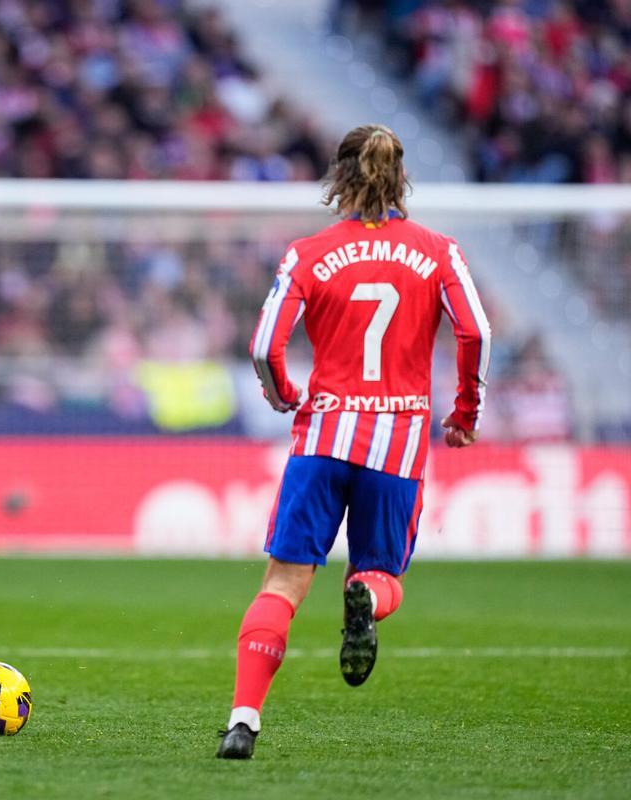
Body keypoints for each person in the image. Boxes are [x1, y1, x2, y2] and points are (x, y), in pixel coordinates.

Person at [216, 124, 491, 759]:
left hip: (323, 437)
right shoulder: (440, 251)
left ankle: (244, 719)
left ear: (338, 178)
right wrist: (466, 411)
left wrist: (283, 391)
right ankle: (363, 596)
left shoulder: (308, 254)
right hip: (395, 444)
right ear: (401, 180)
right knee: (379, 574)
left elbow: (263, 346)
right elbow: (474, 330)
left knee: (283, 583)